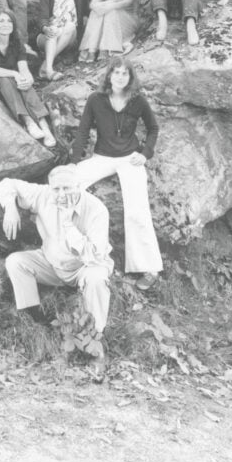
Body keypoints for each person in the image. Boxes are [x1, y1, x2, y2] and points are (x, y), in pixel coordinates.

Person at [0, 165, 113, 357]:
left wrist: (69, 223)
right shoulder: (44, 195)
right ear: (50, 187)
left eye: (67, 188)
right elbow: (8, 184)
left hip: (84, 267)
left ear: (79, 186)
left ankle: (94, 343)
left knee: (96, 279)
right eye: (56, 189)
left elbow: (94, 256)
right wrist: (10, 208)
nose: (61, 194)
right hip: (51, 263)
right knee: (15, 262)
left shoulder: (97, 210)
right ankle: (37, 322)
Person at [70, 58, 162, 291]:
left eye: (125, 74)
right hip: (101, 157)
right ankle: (77, 250)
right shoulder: (95, 100)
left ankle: (149, 269)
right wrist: (73, 162)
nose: (120, 77)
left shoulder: (137, 101)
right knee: (70, 184)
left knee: (137, 210)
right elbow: (82, 132)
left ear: (130, 78)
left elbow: (153, 128)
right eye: (116, 72)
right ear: (109, 76)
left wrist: (145, 153)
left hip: (129, 159)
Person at [0, 9, 56, 147]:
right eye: (1, 21)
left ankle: (44, 126)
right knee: (7, 80)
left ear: (13, 25)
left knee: (24, 82)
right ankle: (28, 121)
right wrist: (14, 74)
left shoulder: (17, 44)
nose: (5, 24)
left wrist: (28, 80)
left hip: (12, 82)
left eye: (9, 21)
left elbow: (24, 69)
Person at [37, 0, 88, 79]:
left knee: (70, 26)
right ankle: (49, 70)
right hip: (47, 37)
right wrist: (45, 28)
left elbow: (86, 13)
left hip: (70, 37)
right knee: (53, 29)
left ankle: (46, 66)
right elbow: (42, 18)